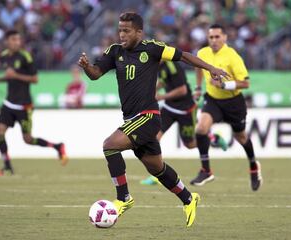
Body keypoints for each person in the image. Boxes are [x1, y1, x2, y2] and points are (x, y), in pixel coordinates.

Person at [78, 12, 228, 227]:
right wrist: (86, 67)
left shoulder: (152, 48)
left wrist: (211, 68)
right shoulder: (115, 51)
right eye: (120, 30)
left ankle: (123, 199)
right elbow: (95, 73)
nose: (122, 34)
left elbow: (184, 55)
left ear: (139, 32)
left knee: (110, 146)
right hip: (131, 117)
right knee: (156, 168)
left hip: (147, 116)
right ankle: (188, 198)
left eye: (126, 31)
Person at [191, 24, 263, 191]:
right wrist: (198, 87)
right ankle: (206, 170)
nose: (214, 40)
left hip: (233, 102)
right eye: (211, 37)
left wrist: (224, 85)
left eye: (217, 37)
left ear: (225, 37)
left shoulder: (233, 57)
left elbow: (245, 83)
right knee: (201, 129)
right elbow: (198, 66)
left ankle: (253, 165)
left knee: (241, 138)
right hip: (213, 100)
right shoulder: (203, 53)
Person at [0, 30, 67, 176]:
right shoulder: (3, 57)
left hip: (24, 105)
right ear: (7, 41)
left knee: (28, 139)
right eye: (13, 39)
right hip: (8, 103)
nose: (17, 42)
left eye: (18, 39)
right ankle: (7, 167)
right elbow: (10, 77)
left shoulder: (25, 57)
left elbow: (35, 79)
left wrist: (16, 75)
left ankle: (57, 146)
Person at [140, 61, 228, 185]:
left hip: (185, 110)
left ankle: (213, 138)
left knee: (190, 144)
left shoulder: (173, 66)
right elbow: (164, 80)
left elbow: (182, 90)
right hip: (169, 109)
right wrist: (152, 90)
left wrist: (161, 97)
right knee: (154, 137)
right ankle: (158, 174)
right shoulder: (161, 66)